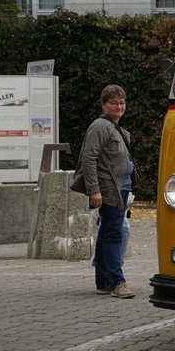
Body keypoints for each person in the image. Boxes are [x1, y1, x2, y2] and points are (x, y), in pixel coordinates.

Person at [76, 85, 135, 299]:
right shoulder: (101, 126)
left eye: (121, 103)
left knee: (107, 232)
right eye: (113, 103)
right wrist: (94, 190)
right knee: (113, 234)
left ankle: (104, 282)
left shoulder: (114, 127)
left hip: (120, 187)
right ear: (103, 105)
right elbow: (89, 159)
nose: (119, 106)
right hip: (110, 189)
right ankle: (117, 282)